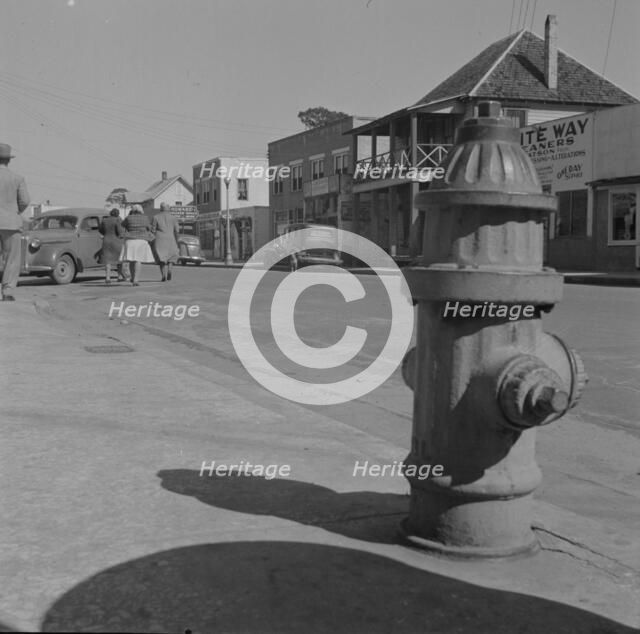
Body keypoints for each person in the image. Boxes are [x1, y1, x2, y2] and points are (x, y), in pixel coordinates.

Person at [0, 143, 30, 301]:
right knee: (11, 258)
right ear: (9, 160)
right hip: (11, 223)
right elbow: (25, 201)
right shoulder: (17, 178)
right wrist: (14, 211)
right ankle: (7, 291)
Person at [120, 205, 155, 286]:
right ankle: (136, 279)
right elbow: (149, 228)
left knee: (132, 260)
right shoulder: (145, 218)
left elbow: (122, 225)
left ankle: (132, 277)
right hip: (141, 241)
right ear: (141, 210)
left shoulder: (128, 218)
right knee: (138, 260)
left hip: (130, 240)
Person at [151, 202, 180, 281]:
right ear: (168, 208)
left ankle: (163, 275)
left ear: (161, 208)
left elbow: (153, 230)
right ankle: (170, 270)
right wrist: (177, 240)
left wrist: (151, 240)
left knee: (161, 258)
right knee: (172, 256)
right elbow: (177, 230)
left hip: (159, 239)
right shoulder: (173, 218)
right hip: (171, 238)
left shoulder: (155, 217)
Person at [98, 208, 125, 284]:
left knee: (107, 260)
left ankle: (107, 277)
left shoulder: (104, 220)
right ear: (117, 214)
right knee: (119, 260)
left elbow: (100, 230)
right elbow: (120, 231)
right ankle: (119, 276)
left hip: (106, 240)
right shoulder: (118, 220)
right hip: (116, 241)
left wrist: (105, 234)